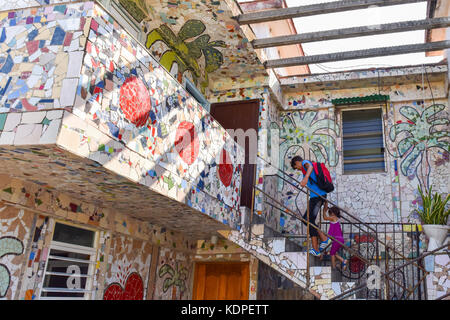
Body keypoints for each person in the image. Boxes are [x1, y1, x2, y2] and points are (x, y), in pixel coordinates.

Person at [290, 155, 331, 256]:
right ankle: (324, 240)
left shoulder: (305, 163)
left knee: (309, 220)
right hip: (317, 197)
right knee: (307, 220)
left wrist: (306, 178)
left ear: (298, 162)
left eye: (296, 167)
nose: (298, 169)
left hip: (317, 196)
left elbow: (310, 167)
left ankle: (317, 248)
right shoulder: (304, 169)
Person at [322, 206, 348, 270]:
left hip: (337, 239)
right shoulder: (337, 219)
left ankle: (333, 267)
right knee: (334, 252)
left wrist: (323, 211)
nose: (329, 215)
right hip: (339, 239)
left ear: (333, 213)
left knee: (332, 253)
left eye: (330, 213)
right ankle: (343, 261)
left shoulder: (333, 218)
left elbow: (324, 218)